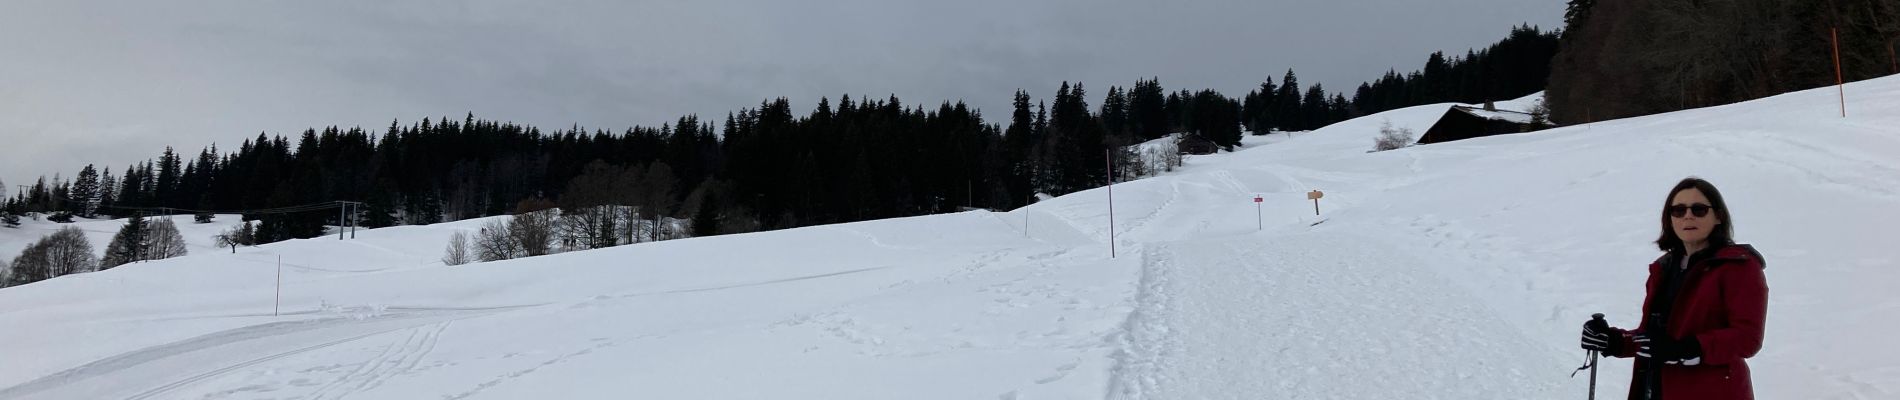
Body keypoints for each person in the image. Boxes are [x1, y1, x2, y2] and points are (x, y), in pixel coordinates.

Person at [1581, 177, 1768, 400]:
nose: (1687, 215)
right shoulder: (1664, 268)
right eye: (1678, 210)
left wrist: (1688, 348)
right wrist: (1615, 341)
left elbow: (1747, 338)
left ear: (1718, 216)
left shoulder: (1739, 267)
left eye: (1699, 209)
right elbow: (1658, 338)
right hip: (1654, 387)